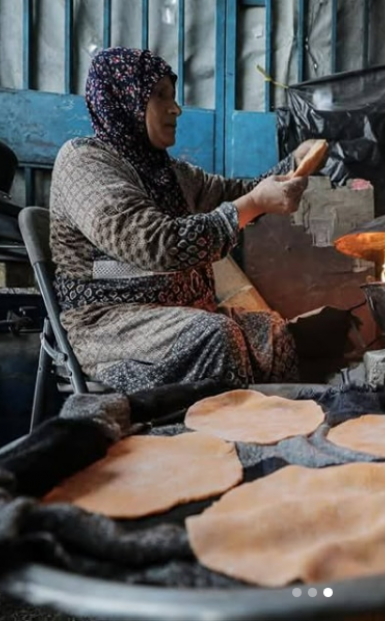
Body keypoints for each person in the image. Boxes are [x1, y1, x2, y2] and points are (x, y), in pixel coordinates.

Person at [49, 47, 318, 393]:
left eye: (173, 97)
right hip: (107, 321)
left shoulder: (167, 172)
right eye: (160, 96)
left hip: (176, 311)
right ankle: (218, 441)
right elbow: (156, 244)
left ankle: (278, 433)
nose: (175, 108)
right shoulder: (84, 164)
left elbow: (235, 192)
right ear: (123, 99)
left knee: (274, 335)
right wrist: (251, 204)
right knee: (215, 337)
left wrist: (293, 164)